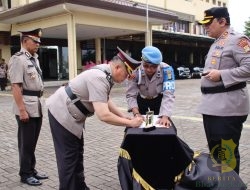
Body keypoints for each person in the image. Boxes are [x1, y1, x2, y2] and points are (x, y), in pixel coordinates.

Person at [46, 47, 143, 190]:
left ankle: (79, 187)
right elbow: (103, 115)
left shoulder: (106, 72)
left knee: (77, 154)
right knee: (68, 159)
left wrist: (123, 116)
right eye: (126, 74)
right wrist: (130, 123)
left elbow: (105, 98)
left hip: (72, 114)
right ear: (117, 67)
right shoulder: (99, 78)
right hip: (62, 113)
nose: (126, 79)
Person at [197, 7, 250, 174]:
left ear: (222, 22)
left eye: (208, 23)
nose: (206, 27)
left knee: (226, 155)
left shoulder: (238, 40)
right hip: (212, 107)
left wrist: (221, 74)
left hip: (228, 109)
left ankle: (231, 186)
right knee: (216, 154)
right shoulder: (216, 42)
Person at [8, 28, 48, 186]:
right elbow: (16, 87)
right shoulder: (18, 59)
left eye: (39, 41)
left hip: (36, 106)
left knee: (32, 142)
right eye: (35, 41)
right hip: (26, 107)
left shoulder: (34, 58)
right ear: (25, 41)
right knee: (26, 143)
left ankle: (32, 169)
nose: (38, 44)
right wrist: (22, 110)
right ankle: (25, 174)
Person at [126, 46, 175, 128]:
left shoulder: (167, 70)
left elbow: (169, 94)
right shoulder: (135, 70)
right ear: (142, 61)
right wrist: (136, 114)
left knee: (161, 128)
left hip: (158, 102)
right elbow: (131, 95)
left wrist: (165, 116)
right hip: (141, 102)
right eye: (146, 66)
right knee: (138, 129)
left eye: (154, 67)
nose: (149, 69)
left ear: (159, 64)